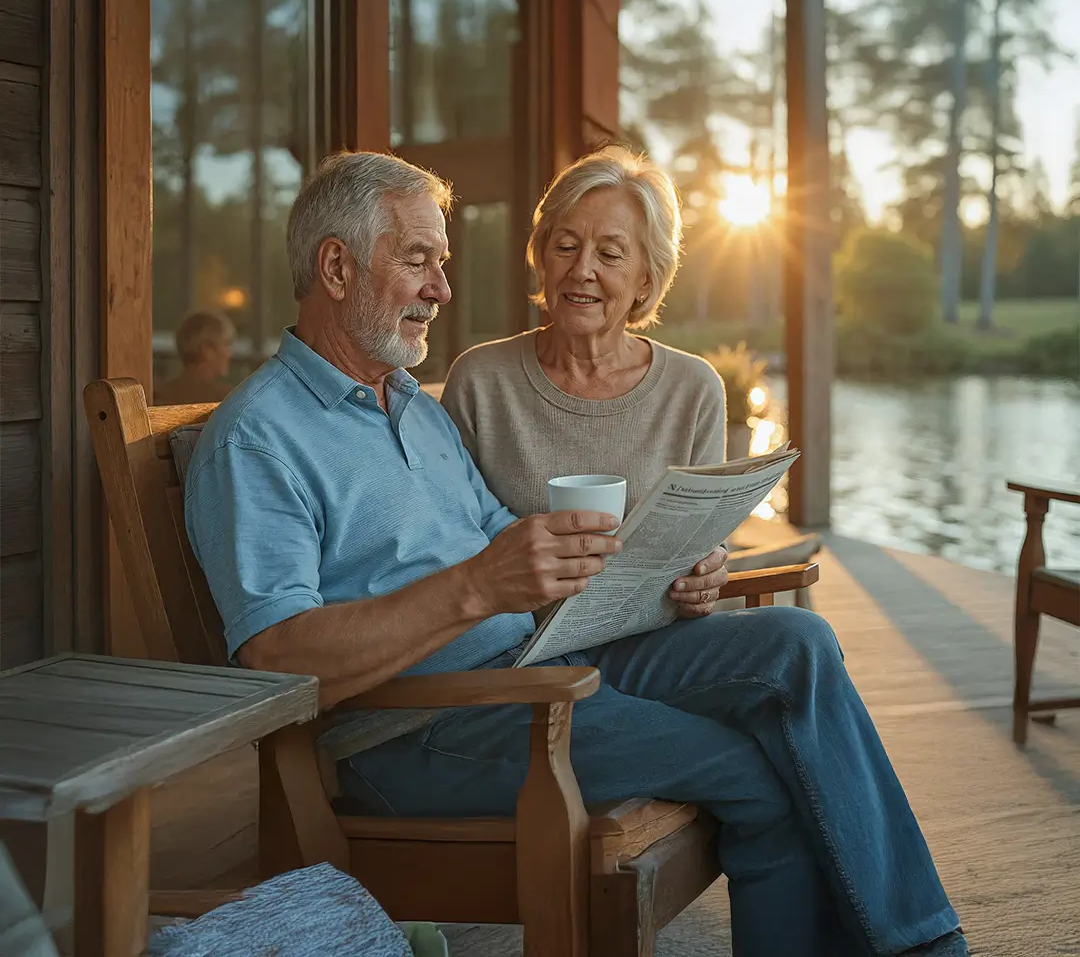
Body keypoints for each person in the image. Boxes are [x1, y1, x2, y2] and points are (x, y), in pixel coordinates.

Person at [184, 150, 967, 957]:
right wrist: (481, 586)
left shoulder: (411, 407)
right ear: (337, 266)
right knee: (754, 773)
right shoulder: (259, 439)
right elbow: (276, 658)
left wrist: (620, 560)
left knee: (794, 645)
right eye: (418, 260)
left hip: (535, 663)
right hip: (416, 729)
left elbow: (497, 539)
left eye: (441, 264)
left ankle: (922, 941)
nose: (441, 290)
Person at [441, 145, 726, 521]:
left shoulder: (694, 389)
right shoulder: (479, 380)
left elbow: (704, 535)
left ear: (646, 278)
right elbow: (448, 528)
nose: (581, 270)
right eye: (566, 247)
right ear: (542, 258)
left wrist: (710, 563)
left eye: (609, 254)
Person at [155, 309, 235, 405]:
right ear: (207, 350)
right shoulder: (225, 399)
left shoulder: (159, 394)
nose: (230, 353)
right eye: (226, 344)